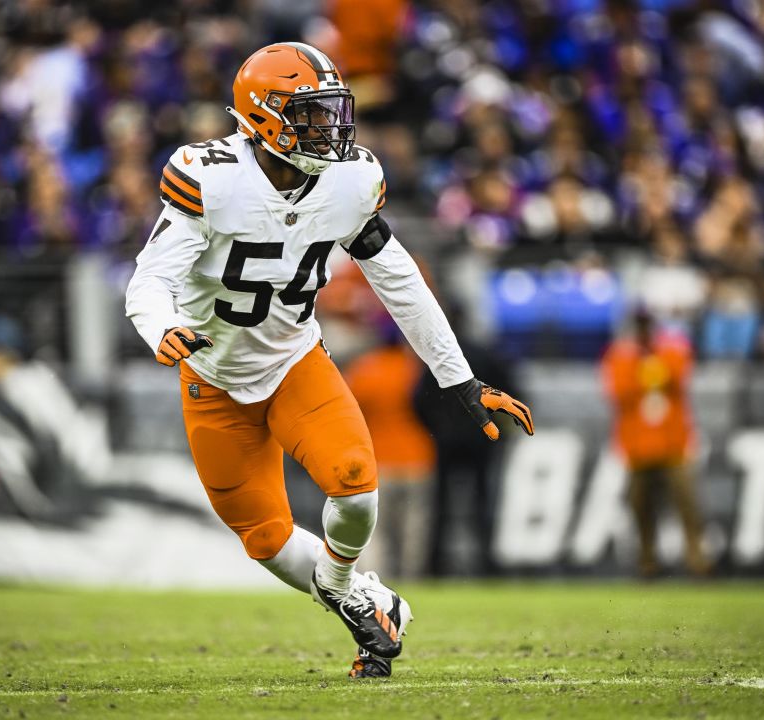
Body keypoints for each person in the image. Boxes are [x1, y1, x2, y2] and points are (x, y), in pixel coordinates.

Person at [124, 43, 534, 679]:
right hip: (212, 377)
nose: (331, 129)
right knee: (263, 538)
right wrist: (162, 328)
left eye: (332, 113)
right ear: (262, 118)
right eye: (311, 115)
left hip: (293, 359)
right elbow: (149, 280)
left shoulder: (349, 180)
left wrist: (461, 380)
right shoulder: (213, 178)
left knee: (353, 480)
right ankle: (363, 601)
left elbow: (399, 280)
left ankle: (346, 590)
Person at [601, 306, 710, 578]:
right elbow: (618, 391)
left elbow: (679, 374)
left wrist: (651, 368)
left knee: (687, 504)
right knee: (641, 507)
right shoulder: (620, 356)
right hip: (638, 447)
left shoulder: (670, 350)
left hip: (673, 443)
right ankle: (648, 561)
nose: (643, 333)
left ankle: (697, 559)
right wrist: (648, 371)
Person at [344, 320, 436, 582]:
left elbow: (350, 411)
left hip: (378, 460)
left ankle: (375, 579)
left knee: (375, 528)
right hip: (418, 458)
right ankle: (412, 577)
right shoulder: (416, 369)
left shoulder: (365, 369)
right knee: (415, 528)